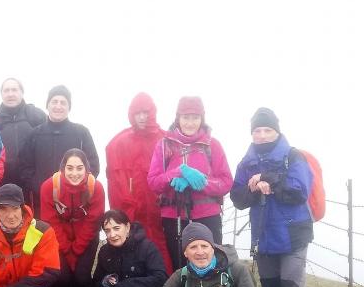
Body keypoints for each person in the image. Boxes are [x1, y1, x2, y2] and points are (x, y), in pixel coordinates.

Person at [229, 107, 314, 287]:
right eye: (257, 130)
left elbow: (299, 191)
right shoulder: (247, 162)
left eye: (267, 130)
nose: (262, 135)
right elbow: (237, 198)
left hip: (293, 237)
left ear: (277, 131)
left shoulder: (293, 157)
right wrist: (253, 188)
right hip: (264, 236)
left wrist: (269, 181)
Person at [146, 96, 233, 270]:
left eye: (195, 117)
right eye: (186, 117)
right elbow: (153, 183)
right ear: (178, 118)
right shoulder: (164, 146)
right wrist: (177, 172)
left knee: (212, 265)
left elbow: (226, 182)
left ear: (202, 118)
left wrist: (200, 181)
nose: (190, 123)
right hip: (174, 217)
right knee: (179, 267)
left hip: (208, 216)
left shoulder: (212, 145)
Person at [39, 148, 105, 287]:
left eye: (79, 168)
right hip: (59, 238)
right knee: (61, 277)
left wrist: (76, 250)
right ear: (62, 168)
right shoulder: (49, 187)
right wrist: (67, 250)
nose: (74, 173)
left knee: (82, 278)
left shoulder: (96, 188)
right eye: (69, 168)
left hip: (85, 238)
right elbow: (50, 222)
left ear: (87, 169)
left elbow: (93, 222)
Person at [105, 92, 171, 271]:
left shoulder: (166, 140)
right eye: (137, 113)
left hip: (160, 212)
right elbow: (115, 181)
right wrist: (123, 210)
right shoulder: (118, 143)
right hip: (134, 211)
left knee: (162, 250)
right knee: (135, 251)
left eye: (145, 112)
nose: (142, 117)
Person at [24, 85, 99, 213]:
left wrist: (78, 188)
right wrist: (40, 187)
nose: (58, 106)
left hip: (76, 204)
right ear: (47, 105)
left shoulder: (81, 133)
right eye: (54, 102)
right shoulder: (35, 134)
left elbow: (93, 165)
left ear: (69, 107)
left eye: (63, 103)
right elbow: (25, 167)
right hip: (42, 201)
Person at [0, 77, 46, 206]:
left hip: (30, 180)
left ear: (22, 92)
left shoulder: (36, 115)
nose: (10, 94)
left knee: (32, 219)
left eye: (14, 90)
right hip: (3, 180)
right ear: (1, 94)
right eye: (6, 90)